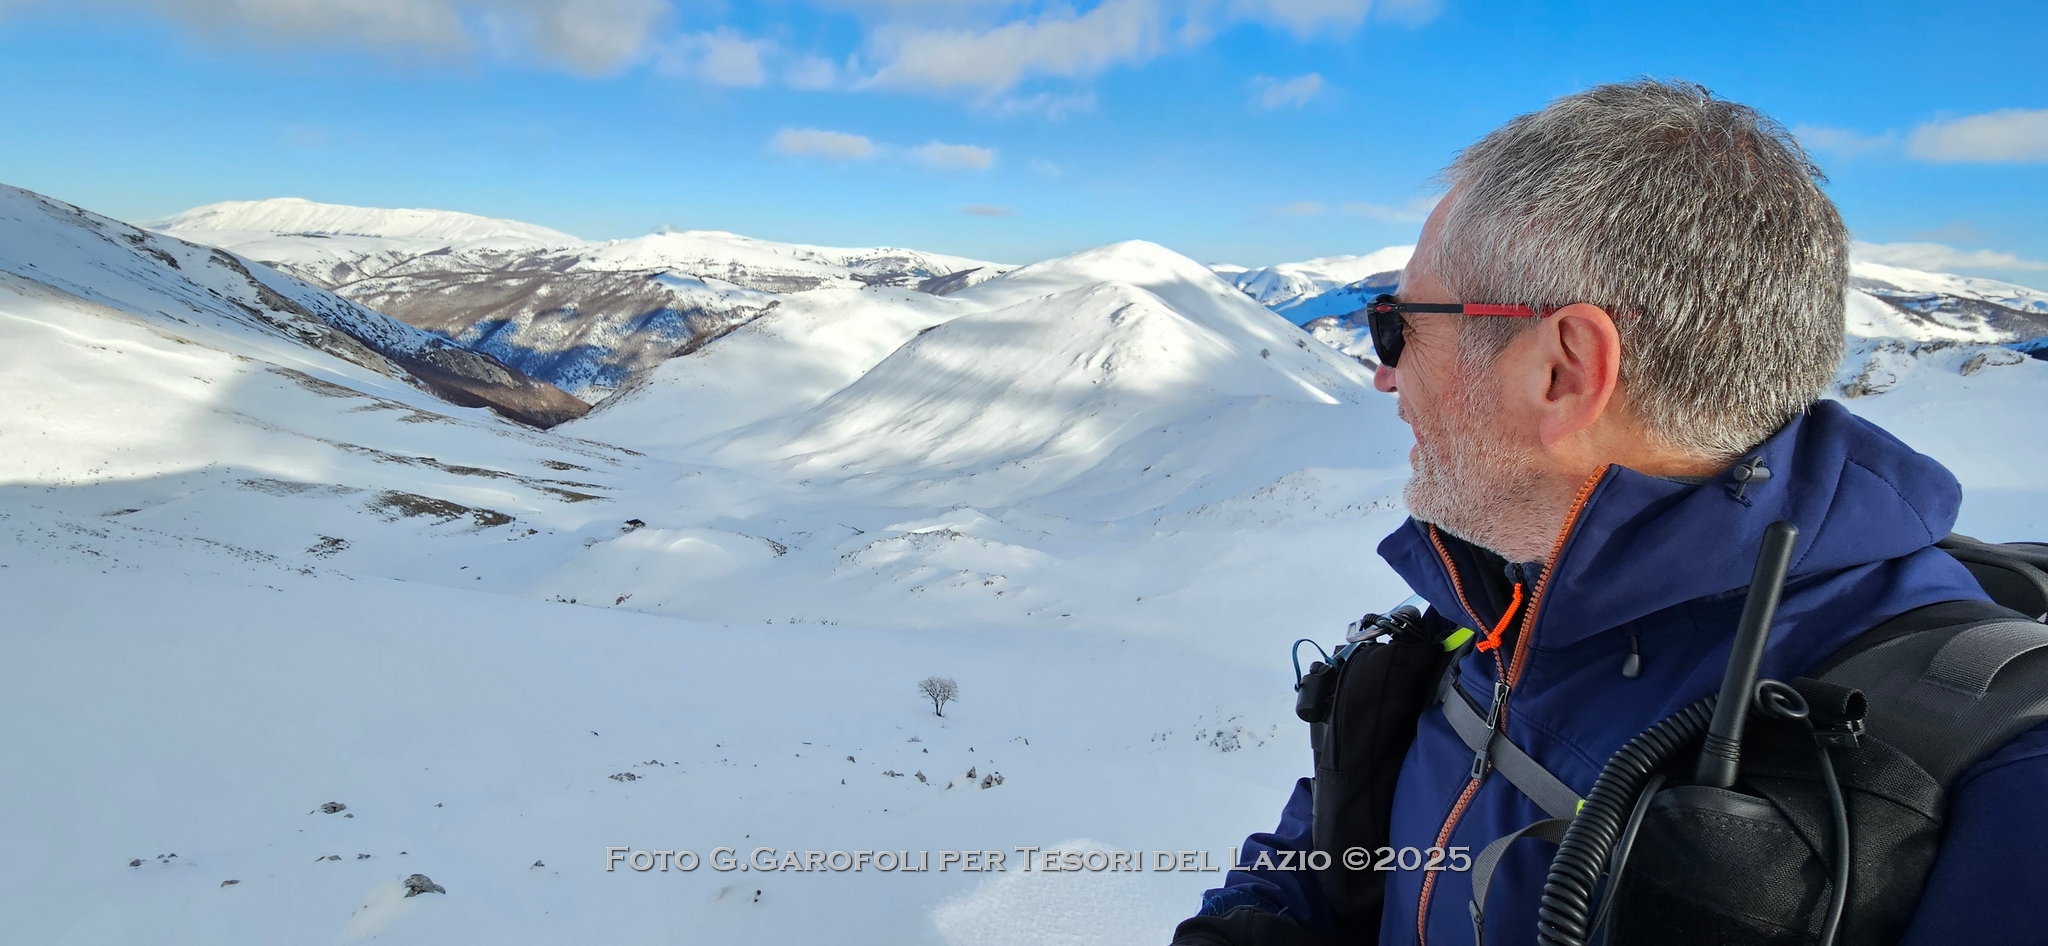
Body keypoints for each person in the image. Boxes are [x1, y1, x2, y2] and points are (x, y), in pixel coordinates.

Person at [1172, 79, 2048, 946]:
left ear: (1563, 370)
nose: (1384, 373)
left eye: (1399, 324)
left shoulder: (1998, 784)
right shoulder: (1486, 605)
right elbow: (1324, 864)